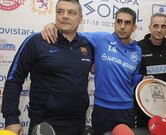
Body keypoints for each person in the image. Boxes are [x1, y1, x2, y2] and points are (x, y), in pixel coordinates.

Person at [41, 7, 143, 135]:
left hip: (126, 110)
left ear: (134, 27)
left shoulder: (137, 51)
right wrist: (52, 25)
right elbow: (70, 32)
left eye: (127, 23)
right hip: (102, 109)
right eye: (119, 21)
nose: (122, 26)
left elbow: (133, 79)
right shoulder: (101, 39)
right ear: (114, 23)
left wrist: (143, 80)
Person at [1, 0, 93, 135]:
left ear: (80, 18)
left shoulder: (87, 45)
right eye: (60, 11)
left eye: (71, 12)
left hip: (78, 124)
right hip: (44, 125)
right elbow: (14, 80)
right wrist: (11, 119)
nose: (65, 16)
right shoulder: (36, 42)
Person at [135, 13, 166, 128]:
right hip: (145, 104)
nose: (159, 30)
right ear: (150, 27)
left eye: (163, 26)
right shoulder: (138, 47)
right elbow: (132, 74)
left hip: (165, 105)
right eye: (155, 26)